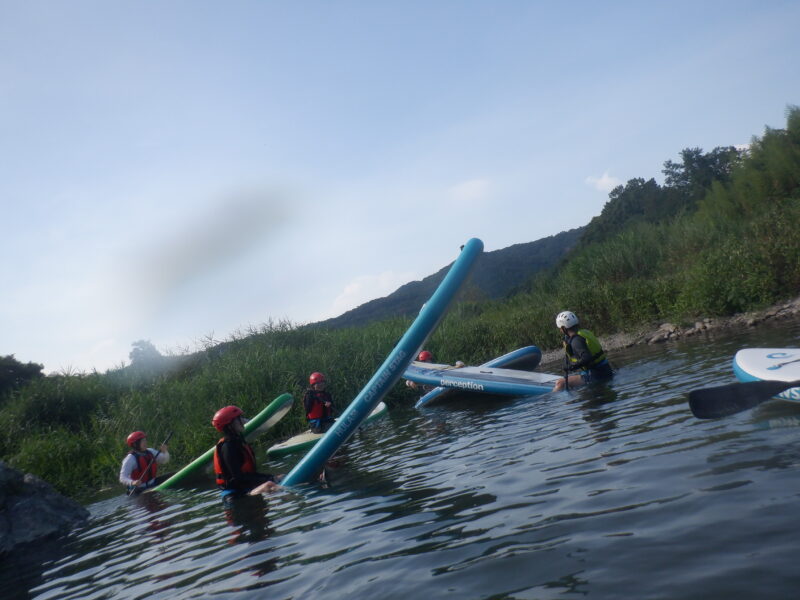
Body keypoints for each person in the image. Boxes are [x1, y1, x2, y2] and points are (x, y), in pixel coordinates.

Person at [212, 405, 280, 496]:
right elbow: (238, 479)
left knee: (279, 477)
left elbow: (249, 475)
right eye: (238, 419)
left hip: (244, 487)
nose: (242, 421)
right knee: (270, 485)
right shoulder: (228, 447)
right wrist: (269, 479)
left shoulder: (237, 442)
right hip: (235, 494)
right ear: (229, 425)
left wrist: (271, 477)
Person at [553, 310, 614, 392]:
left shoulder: (576, 340)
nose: (560, 331)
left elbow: (586, 358)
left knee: (560, 383)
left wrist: (571, 367)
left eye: (560, 328)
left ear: (564, 328)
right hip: (605, 371)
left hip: (597, 375)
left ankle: (554, 401)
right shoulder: (582, 334)